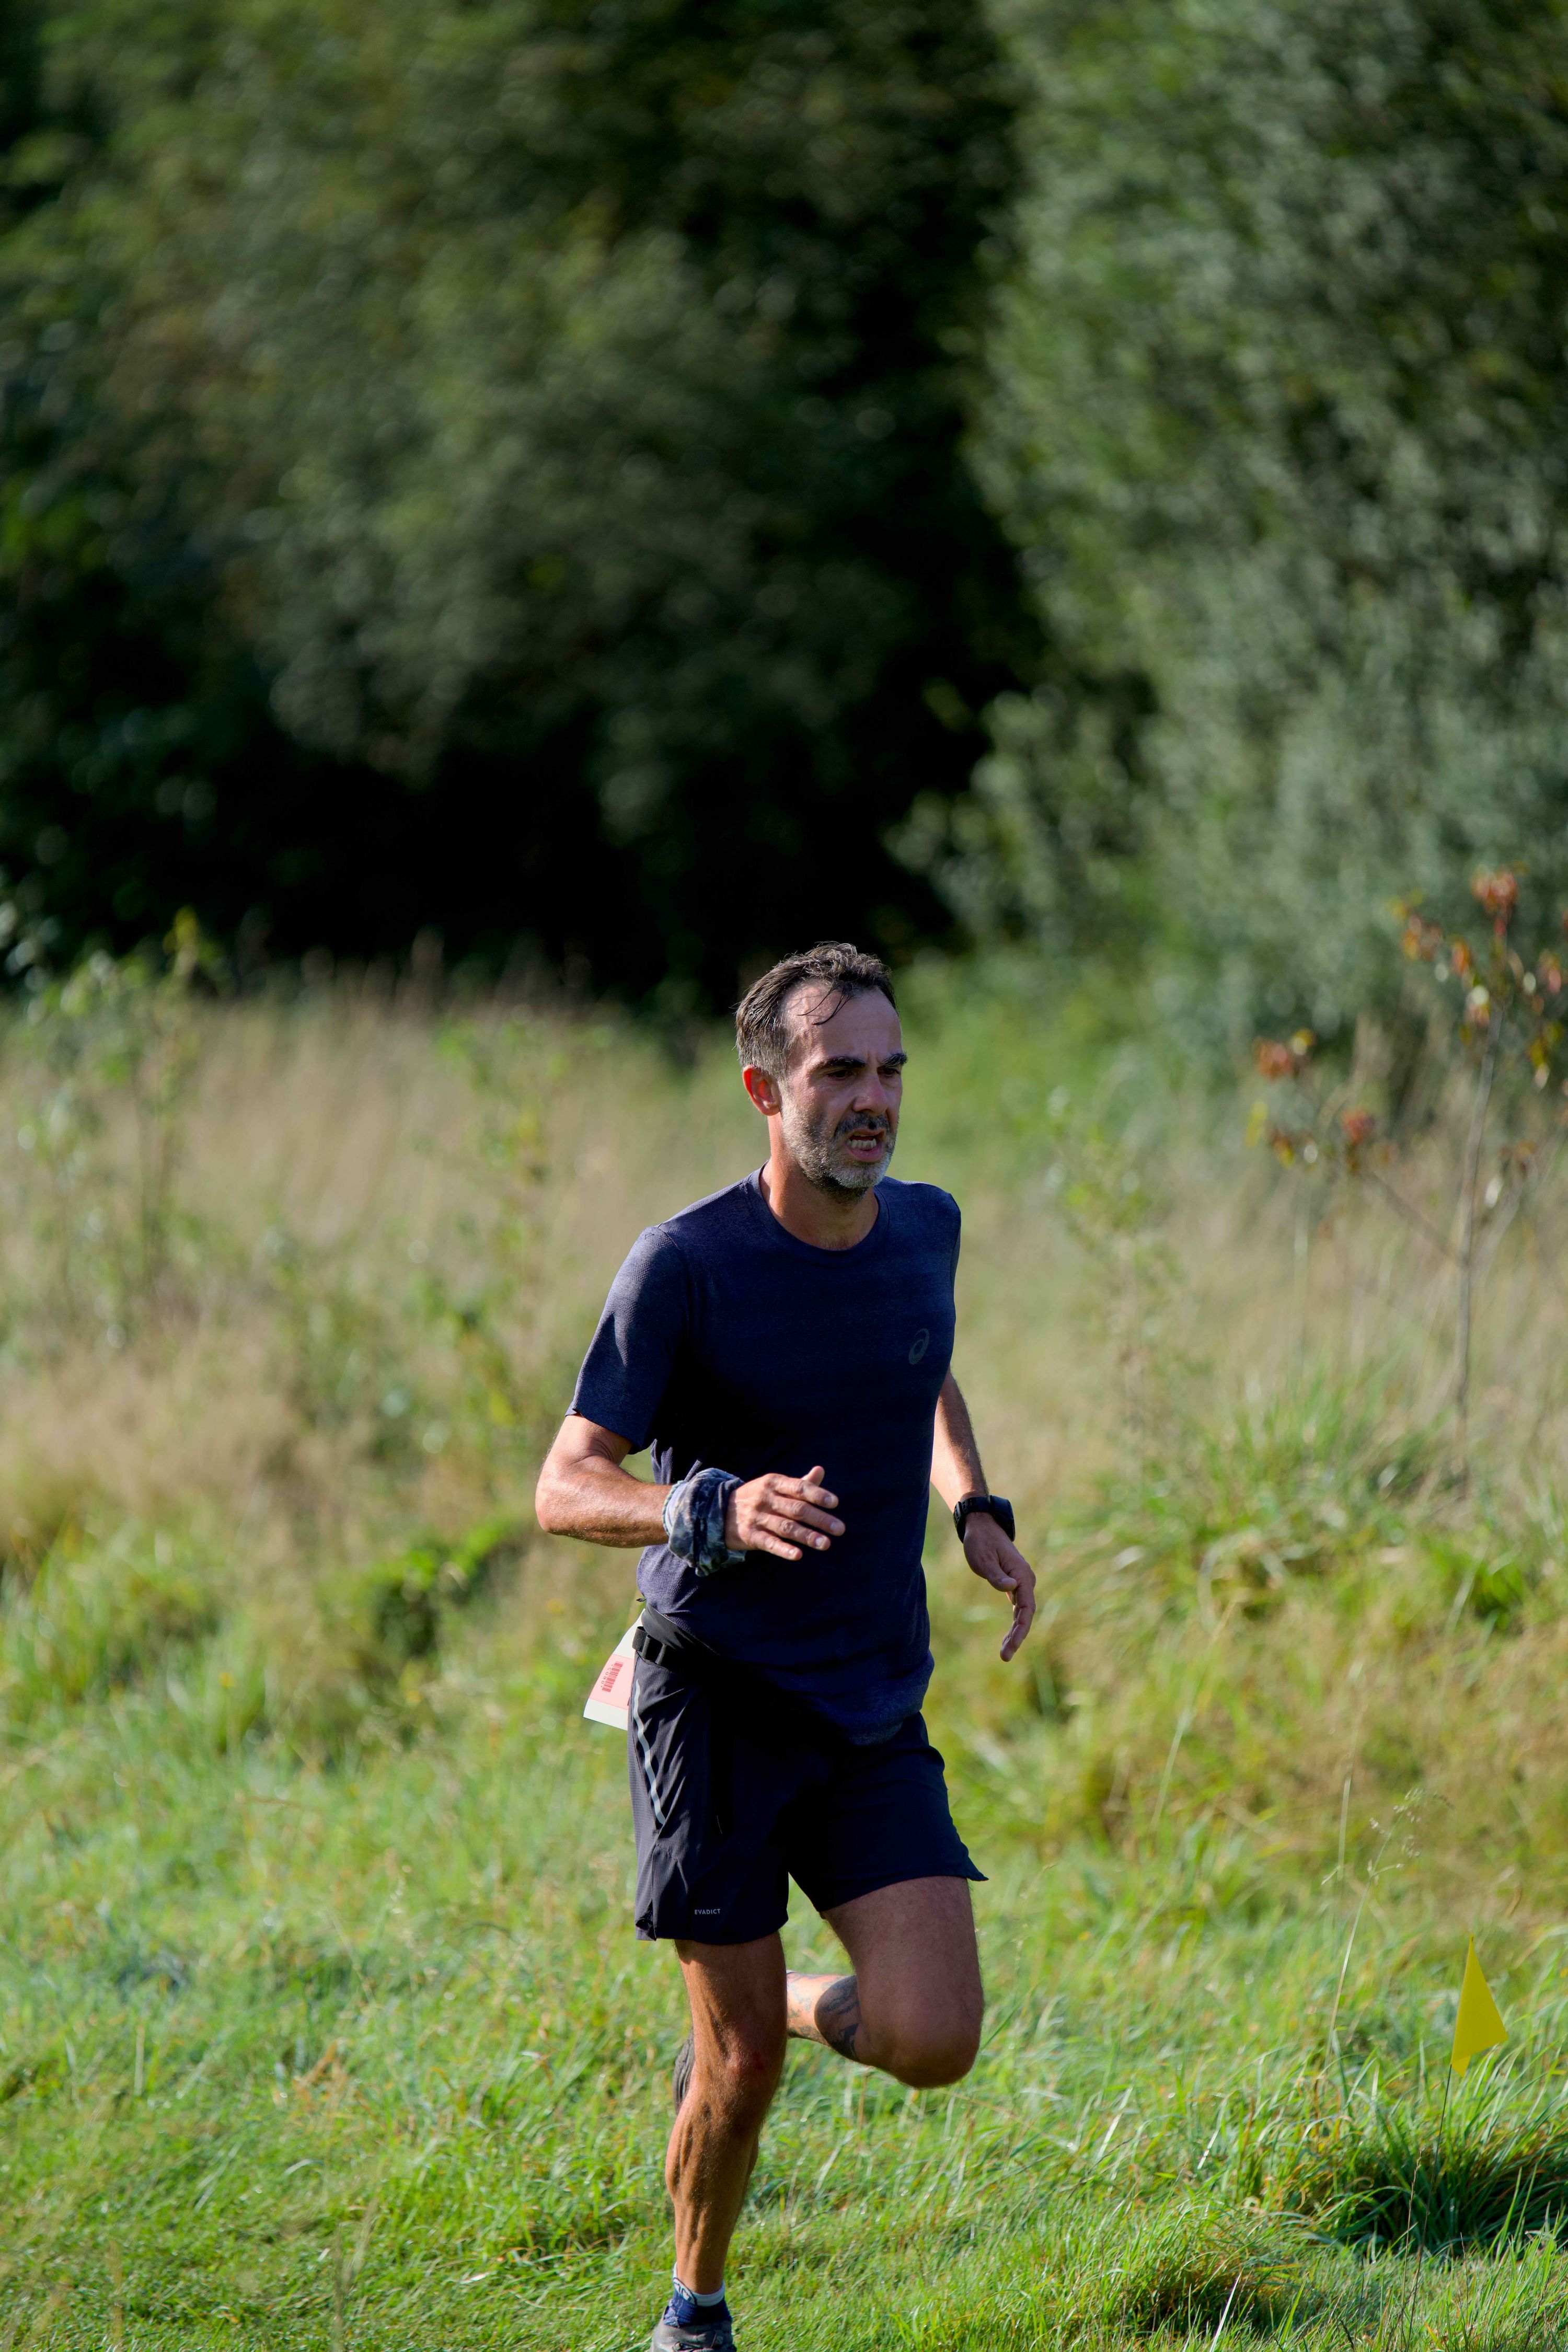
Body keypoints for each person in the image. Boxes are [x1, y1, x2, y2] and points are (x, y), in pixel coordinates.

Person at [535, 941, 1038, 2352]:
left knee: (935, 2035)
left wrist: (973, 1505)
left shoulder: (925, 1227)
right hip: (717, 1702)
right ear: (766, 1089)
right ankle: (693, 2311)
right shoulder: (687, 1265)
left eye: (891, 1070)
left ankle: (786, 1999)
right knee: (740, 2063)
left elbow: (919, 1357)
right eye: (839, 1072)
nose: (874, 1098)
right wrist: (706, 1506)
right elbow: (565, 1483)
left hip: (869, 1700)